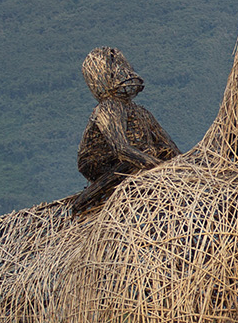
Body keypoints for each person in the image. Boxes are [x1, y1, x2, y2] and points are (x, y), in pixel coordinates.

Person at [69, 46, 180, 214]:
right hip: (102, 162)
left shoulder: (141, 112)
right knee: (135, 158)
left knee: (157, 150)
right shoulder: (109, 108)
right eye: (114, 73)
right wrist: (157, 167)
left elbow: (169, 146)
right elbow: (121, 148)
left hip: (134, 156)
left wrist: (179, 166)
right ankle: (86, 199)